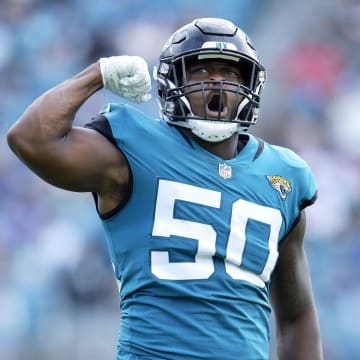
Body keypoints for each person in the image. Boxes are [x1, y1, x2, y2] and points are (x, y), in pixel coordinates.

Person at [7, 17, 323, 360]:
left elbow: (297, 315)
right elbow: (31, 138)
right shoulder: (133, 148)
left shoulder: (284, 177)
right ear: (173, 81)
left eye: (230, 73)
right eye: (201, 71)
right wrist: (98, 74)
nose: (217, 83)